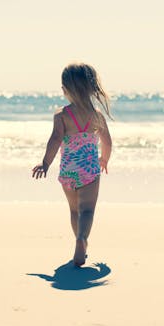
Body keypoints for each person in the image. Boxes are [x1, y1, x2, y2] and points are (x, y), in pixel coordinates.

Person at [32, 63, 112, 266]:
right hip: (89, 171)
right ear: (91, 88)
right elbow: (107, 142)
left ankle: (79, 240)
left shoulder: (61, 115)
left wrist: (45, 163)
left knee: (74, 210)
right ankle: (82, 239)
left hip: (68, 171)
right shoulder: (96, 116)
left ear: (66, 89)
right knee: (87, 211)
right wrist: (104, 159)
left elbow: (55, 139)